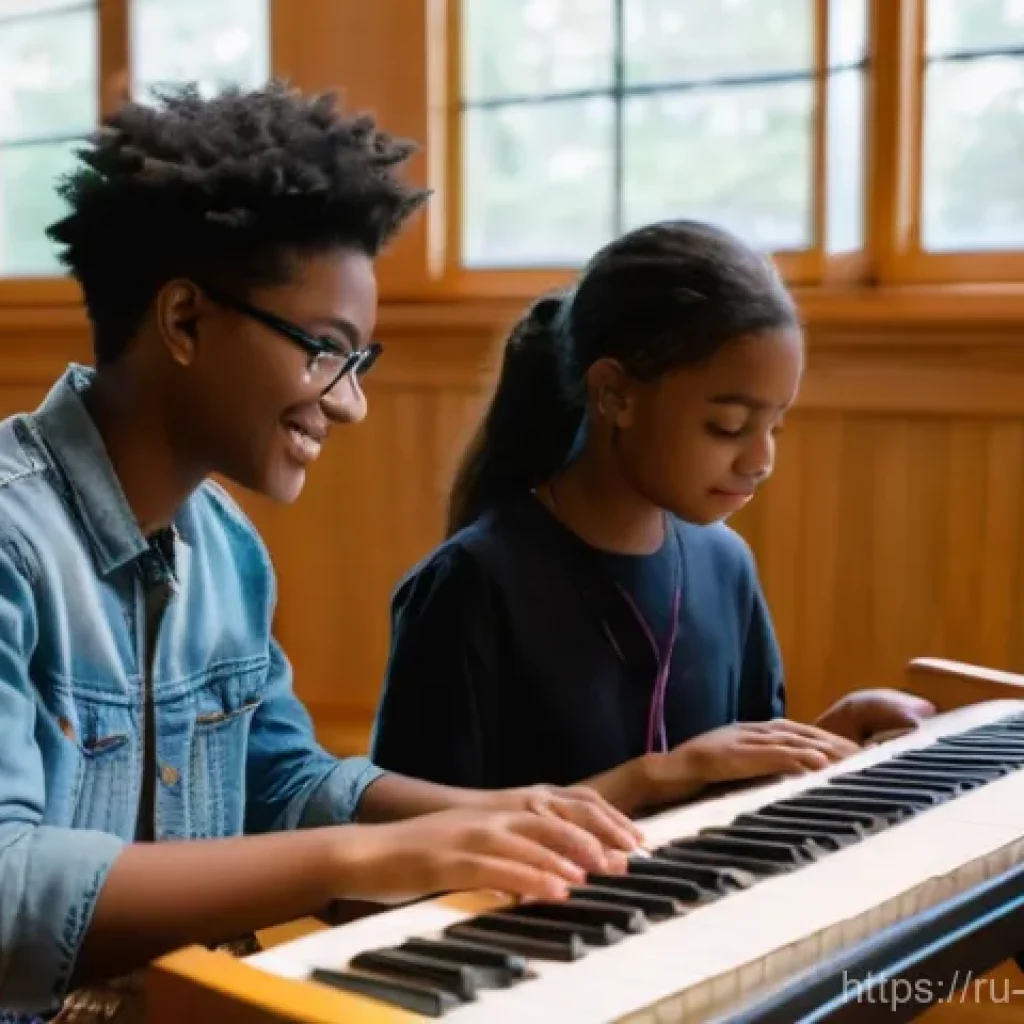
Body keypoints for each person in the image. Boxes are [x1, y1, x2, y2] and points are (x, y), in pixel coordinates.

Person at [0, 82, 641, 1022]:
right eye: (324, 350)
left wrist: (498, 815)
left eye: (359, 361)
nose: (349, 402)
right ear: (184, 322)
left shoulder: (225, 548)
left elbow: (285, 780)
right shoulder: (13, 544)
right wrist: (376, 857)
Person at [370, 219, 936, 815]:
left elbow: (731, 792)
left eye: (775, 426)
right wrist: (658, 776)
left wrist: (831, 738)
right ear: (615, 393)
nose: (761, 459)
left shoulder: (725, 563)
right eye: (729, 427)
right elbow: (409, 841)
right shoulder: (473, 582)